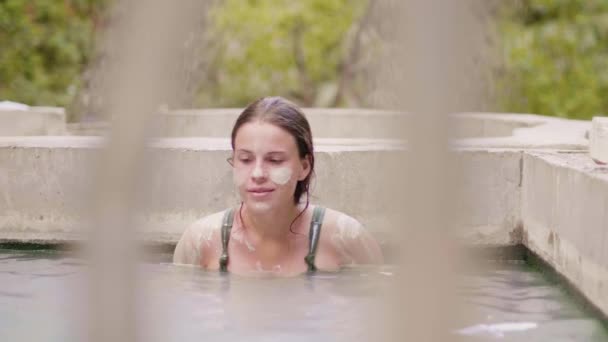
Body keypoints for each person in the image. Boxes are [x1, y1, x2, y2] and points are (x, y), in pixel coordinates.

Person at [173, 96, 383, 275]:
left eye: (275, 160)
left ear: (304, 166)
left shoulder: (347, 240)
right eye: (245, 159)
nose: (257, 174)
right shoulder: (200, 243)